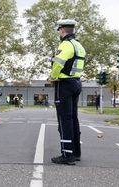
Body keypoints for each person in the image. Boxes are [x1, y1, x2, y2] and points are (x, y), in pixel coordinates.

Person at [49, 19, 86, 165]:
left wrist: (53, 77)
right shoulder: (79, 45)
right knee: (73, 119)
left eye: (59, 30)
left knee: (64, 120)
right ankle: (76, 152)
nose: (59, 33)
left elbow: (58, 63)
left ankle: (67, 155)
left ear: (62, 30)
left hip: (64, 84)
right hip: (76, 83)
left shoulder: (65, 45)